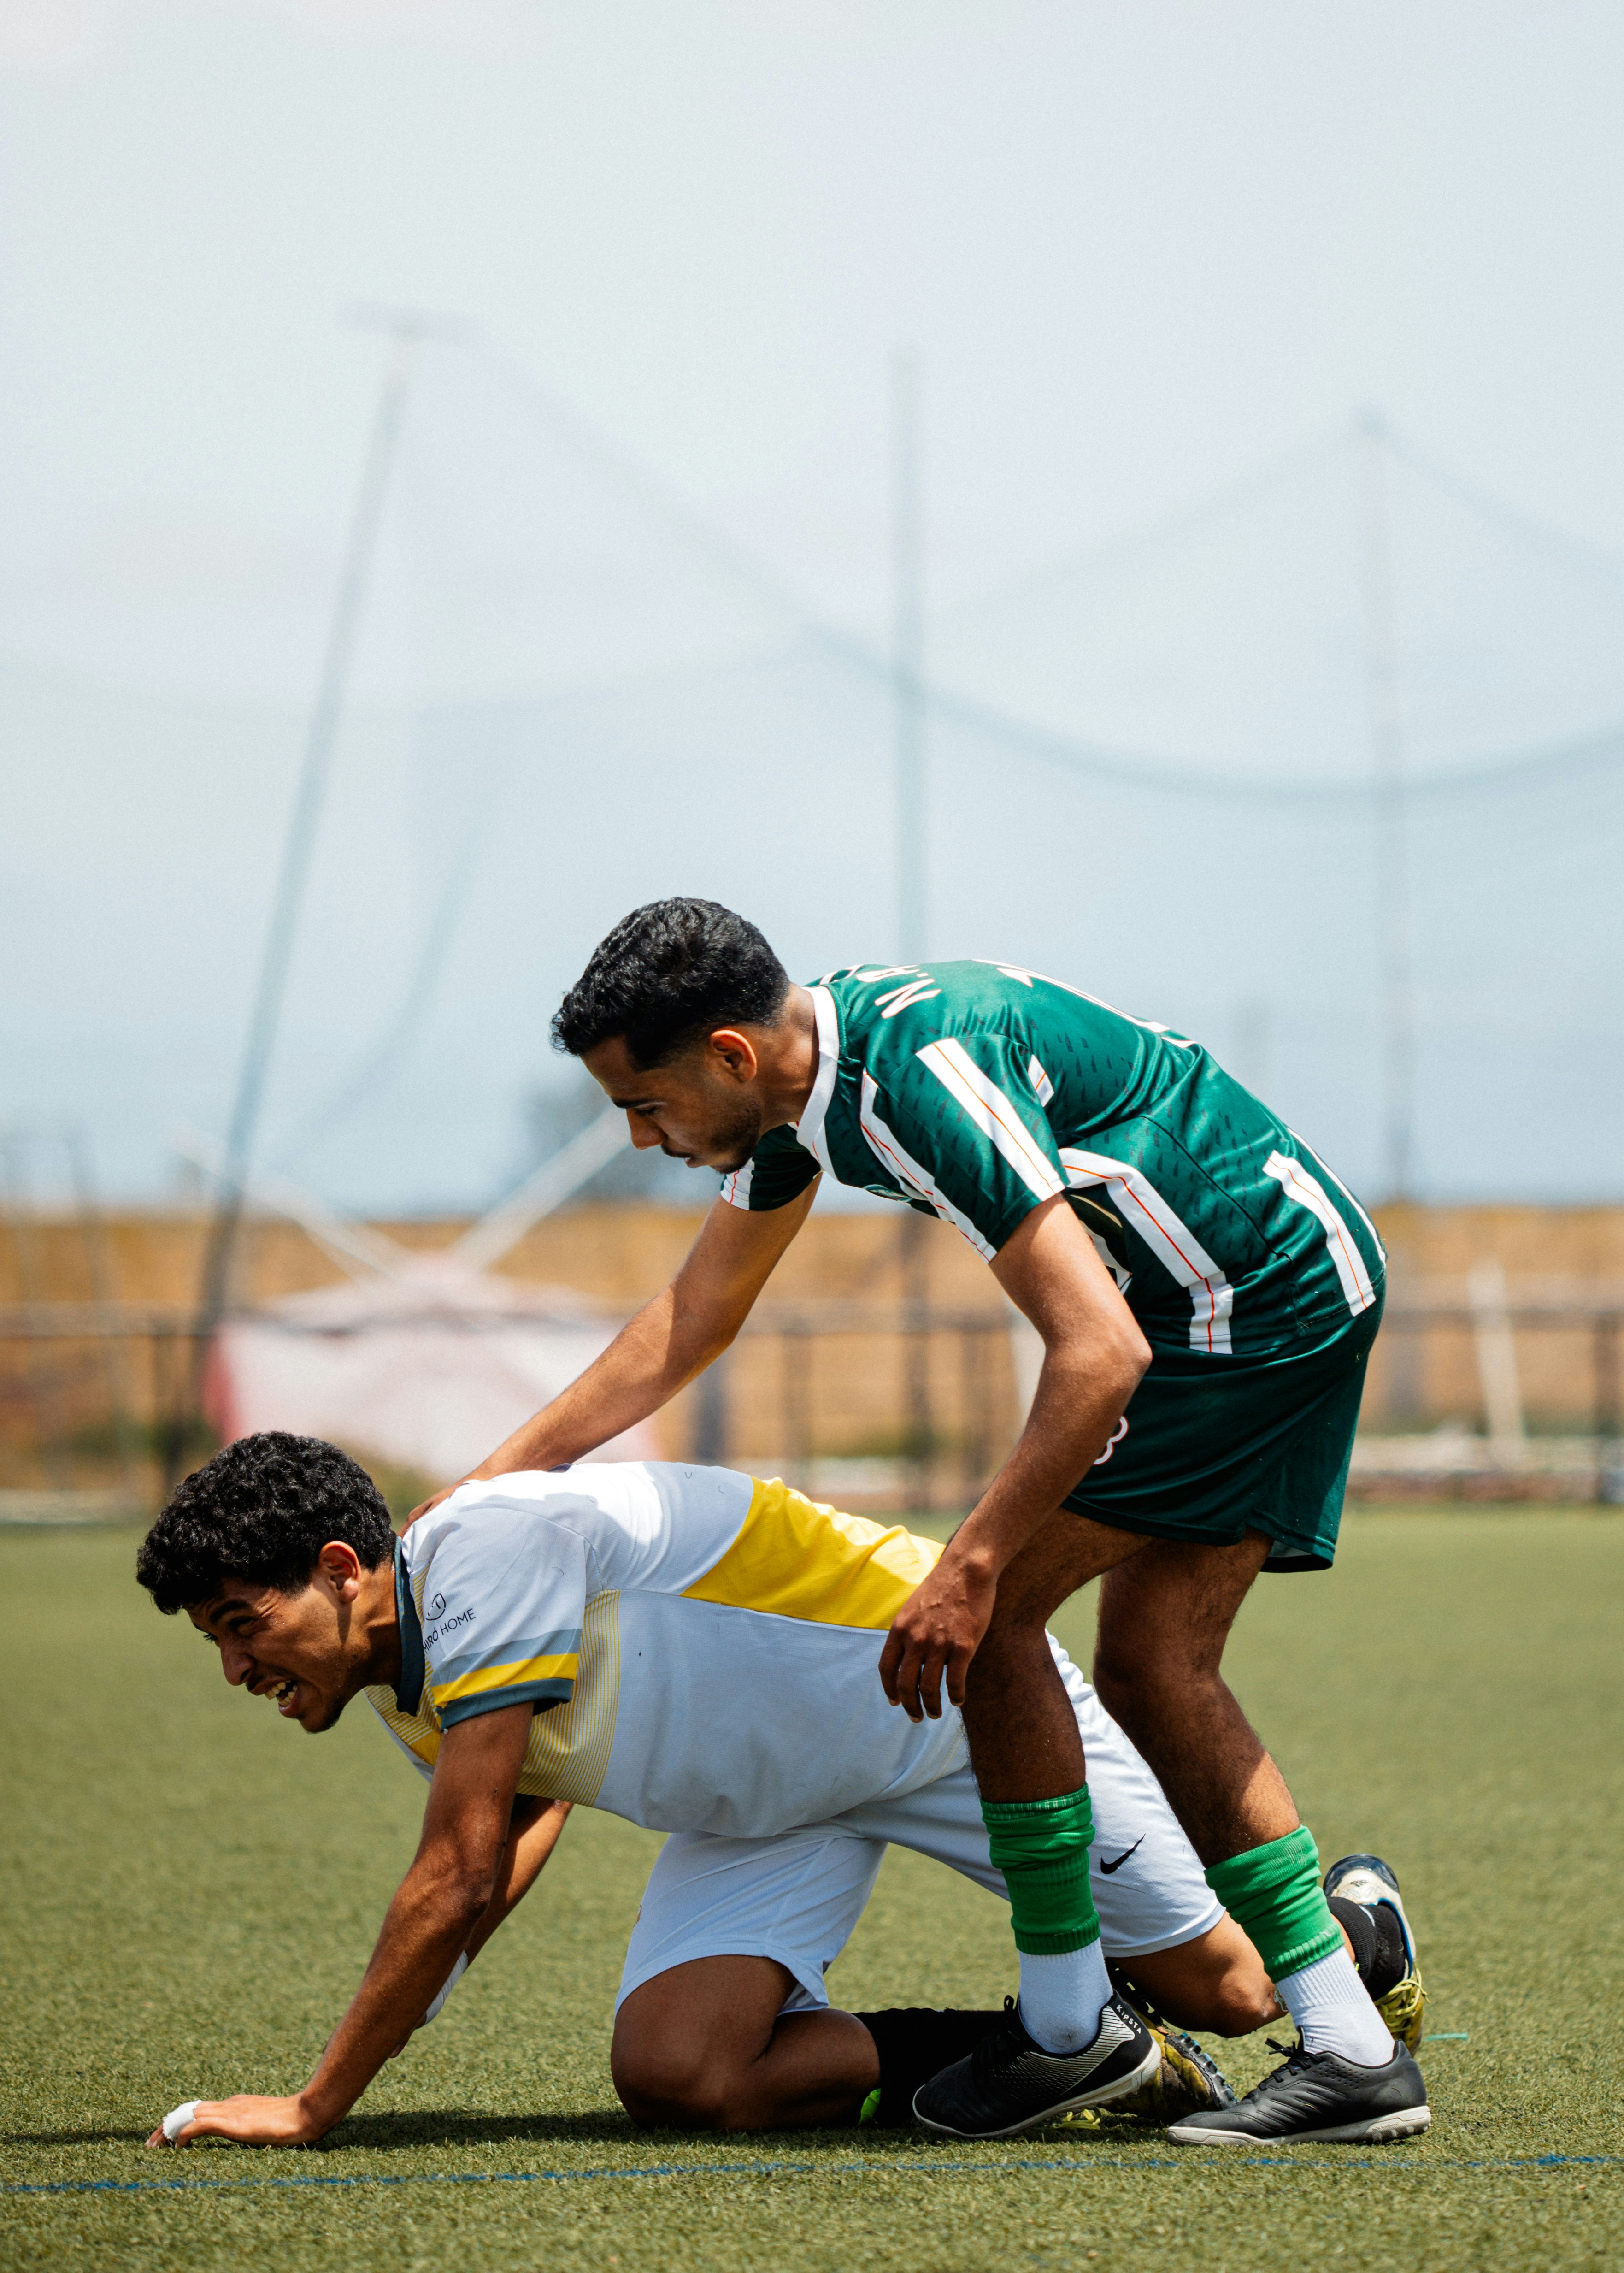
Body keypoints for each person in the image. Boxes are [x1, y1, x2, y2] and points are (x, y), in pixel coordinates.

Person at [412, 899, 1429, 2145]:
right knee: (1155, 1667)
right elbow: (693, 1317)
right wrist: (490, 1485)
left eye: (646, 1102)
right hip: (1266, 1282)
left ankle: (1087, 2033)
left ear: (730, 1055)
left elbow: (1100, 1351)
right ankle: (1342, 2012)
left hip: (1246, 1305)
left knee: (993, 1623)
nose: (638, 1135)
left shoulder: (915, 1081)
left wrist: (972, 1564)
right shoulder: (801, 1100)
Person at [135, 1435, 1425, 2150]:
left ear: (344, 1568)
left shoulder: (476, 1560)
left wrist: (317, 2104)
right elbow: (516, 1828)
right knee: (679, 2075)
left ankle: (1362, 1928)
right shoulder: (410, 1677)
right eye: (217, 1645)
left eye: (244, 1625)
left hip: (947, 1709)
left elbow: (460, 1869)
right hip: (766, 1816)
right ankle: (1088, 2052)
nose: (240, 1669)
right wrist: (425, 1991)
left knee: (1237, 1994)